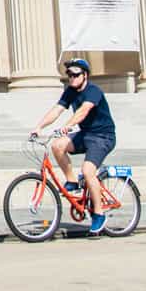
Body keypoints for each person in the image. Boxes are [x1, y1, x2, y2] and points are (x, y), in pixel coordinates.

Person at [31, 58, 117, 234]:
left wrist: (67, 126)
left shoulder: (94, 91)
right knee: (57, 146)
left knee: (87, 171)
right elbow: (57, 110)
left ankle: (99, 214)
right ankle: (72, 180)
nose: (71, 78)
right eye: (69, 75)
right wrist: (39, 127)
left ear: (85, 75)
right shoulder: (70, 91)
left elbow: (83, 111)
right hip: (86, 135)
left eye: (75, 74)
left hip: (103, 137)